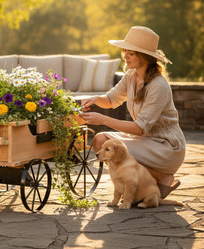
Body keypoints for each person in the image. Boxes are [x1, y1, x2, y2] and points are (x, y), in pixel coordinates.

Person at [80, 26, 186, 199]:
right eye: (125, 51)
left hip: (166, 146)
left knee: (114, 148)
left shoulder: (158, 85)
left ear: (144, 56)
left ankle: (162, 177)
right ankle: (136, 183)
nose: (125, 56)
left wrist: (102, 119)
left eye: (131, 53)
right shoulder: (131, 75)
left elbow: (139, 128)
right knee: (100, 140)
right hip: (145, 140)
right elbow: (111, 99)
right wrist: (95, 99)